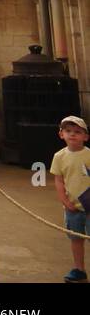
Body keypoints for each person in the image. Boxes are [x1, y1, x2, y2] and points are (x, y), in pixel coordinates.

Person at [51, 115, 90, 282]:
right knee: (76, 239)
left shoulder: (89, 154)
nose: (72, 134)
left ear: (85, 136)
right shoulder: (59, 156)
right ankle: (79, 269)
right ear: (61, 134)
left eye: (77, 131)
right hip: (72, 206)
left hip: (89, 206)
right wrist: (64, 200)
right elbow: (59, 180)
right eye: (68, 131)